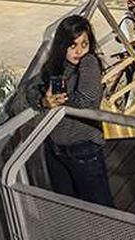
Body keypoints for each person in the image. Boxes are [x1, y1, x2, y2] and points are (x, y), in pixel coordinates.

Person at [24, 15, 113, 207]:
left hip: (84, 148)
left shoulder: (88, 62)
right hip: (56, 149)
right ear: (62, 44)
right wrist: (43, 101)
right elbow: (31, 88)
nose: (79, 51)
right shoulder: (56, 66)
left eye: (84, 44)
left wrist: (58, 101)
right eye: (73, 45)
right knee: (67, 209)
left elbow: (85, 99)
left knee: (100, 208)